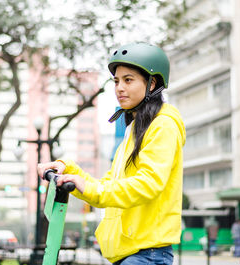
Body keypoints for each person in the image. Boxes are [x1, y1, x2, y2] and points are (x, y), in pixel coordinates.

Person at [38, 42, 186, 265]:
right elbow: (108, 185)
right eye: (116, 81)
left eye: (128, 80)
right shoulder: (136, 128)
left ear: (152, 83)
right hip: (128, 253)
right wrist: (68, 170)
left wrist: (91, 187)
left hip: (146, 255)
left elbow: (148, 183)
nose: (119, 88)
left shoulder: (162, 125)